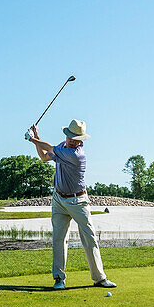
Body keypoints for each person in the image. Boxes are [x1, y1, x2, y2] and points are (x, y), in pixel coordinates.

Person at [26, 119, 116, 290]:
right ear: (66, 135)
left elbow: (50, 148)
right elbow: (45, 156)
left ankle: (99, 278)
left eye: (76, 138)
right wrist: (36, 137)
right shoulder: (63, 146)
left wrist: (32, 139)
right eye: (70, 137)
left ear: (81, 140)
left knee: (89, 238)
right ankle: (59, 278)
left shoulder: (77, 155)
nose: (72, 140)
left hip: (78, 201)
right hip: (59, 199)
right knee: (59, 239)